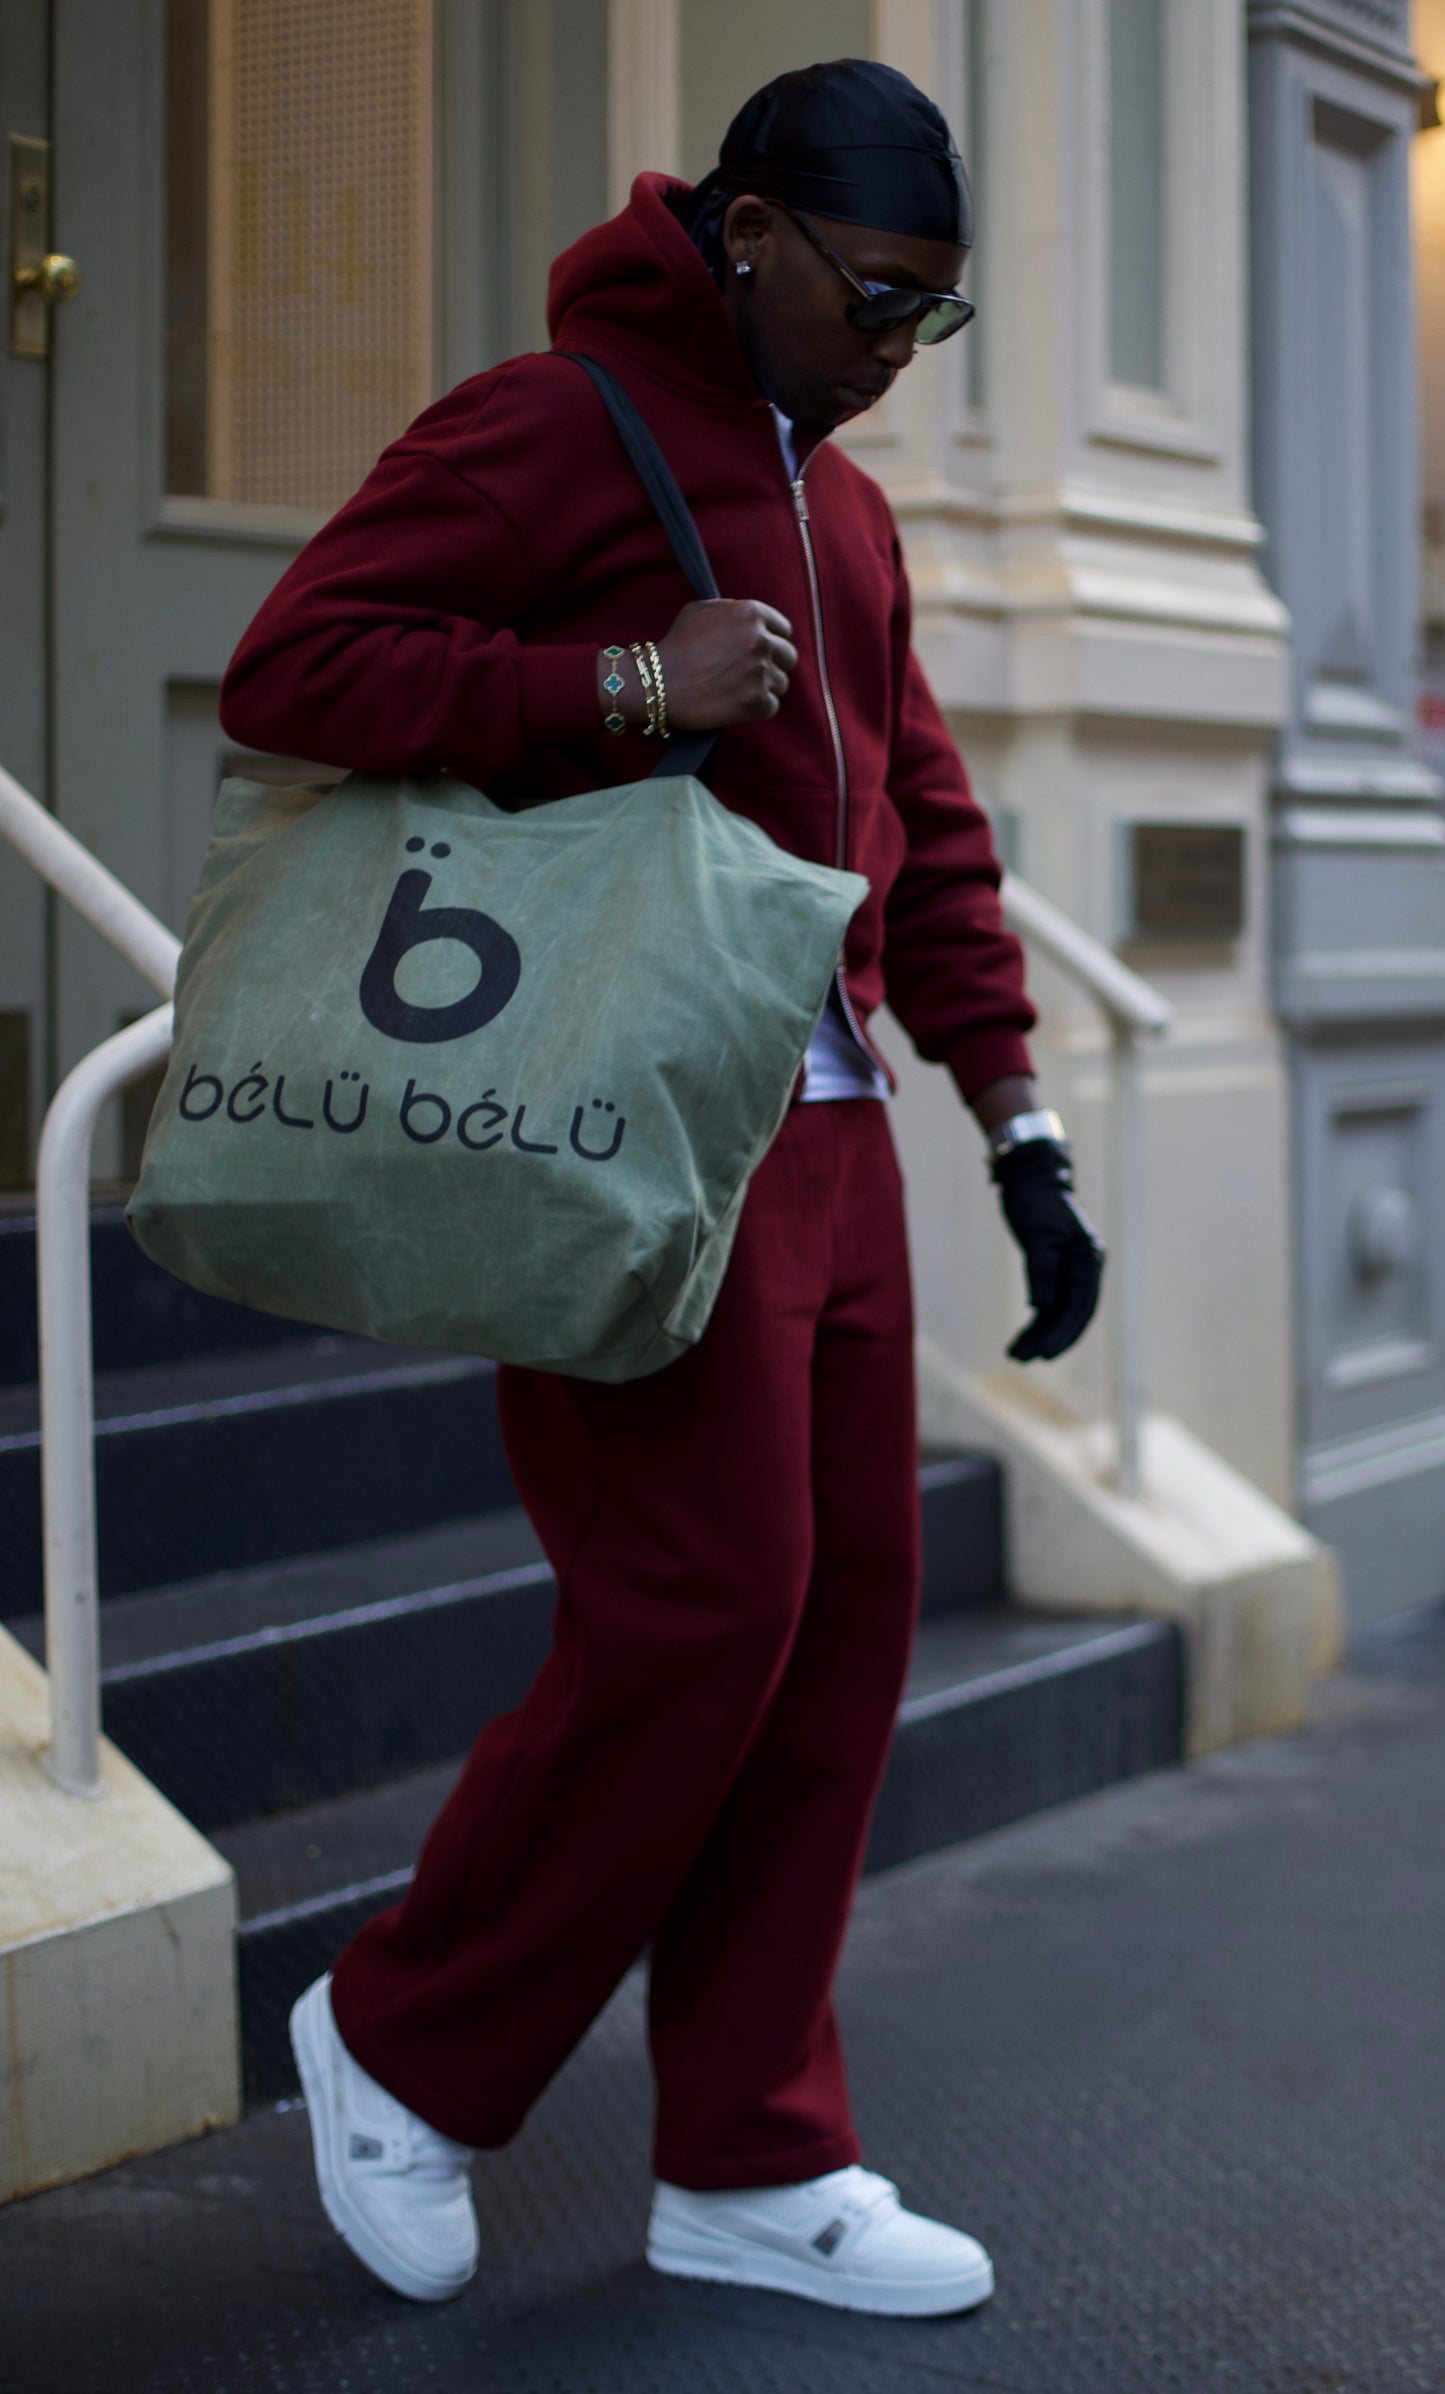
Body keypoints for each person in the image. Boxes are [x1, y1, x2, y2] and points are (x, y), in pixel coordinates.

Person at [219, 58, 1104, 2322]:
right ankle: (406, 2041)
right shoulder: (551, 424)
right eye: (875, 295)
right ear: (744, 231)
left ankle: (751, 2156)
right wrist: (628, 677)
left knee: (837, 1645)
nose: (898, 348)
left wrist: (1017, 1125)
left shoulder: (860, 511)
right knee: (699, 1618)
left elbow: (926, 813)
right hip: (630, 1133)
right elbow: (295, 668)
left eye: (939, 317)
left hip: (835, 1133)